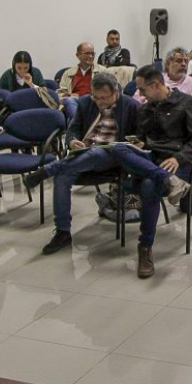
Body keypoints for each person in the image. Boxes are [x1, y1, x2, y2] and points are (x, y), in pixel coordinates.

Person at [26, 71, 142, 254]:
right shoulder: (86, 103)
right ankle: (63, 231)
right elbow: (73, 131)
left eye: (104, 98)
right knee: (62, 177)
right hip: (82, 155)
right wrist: (72, 142)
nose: (100, 102)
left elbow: (139, 139)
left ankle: (49, 169)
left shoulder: (131, 106)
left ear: (116, 92)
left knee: (96, 153)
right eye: (96, 97)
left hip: (114, 157)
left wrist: (131, 143)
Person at [113, 66, 192, 277]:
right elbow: (142, 139)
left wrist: (179, 158)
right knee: (118, 149)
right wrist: (138, 143)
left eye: (143, 90)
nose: (140, 95)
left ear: (156, 85)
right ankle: (166, 181)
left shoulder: (186, 104)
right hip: (152, 161)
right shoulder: (145, 110)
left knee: (148, 186)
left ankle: (145, 247)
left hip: (177, 163)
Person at [58, 42, 105, 119]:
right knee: (69, 101)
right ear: (78, 55)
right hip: (75, 102)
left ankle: (78, 125)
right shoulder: (68, 73)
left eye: (92, 54)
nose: (90, 56)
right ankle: (81, 124)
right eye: (87, 53)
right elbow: (60, 94)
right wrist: (70, 95)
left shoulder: (102, 71)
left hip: (93, 102)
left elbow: (109, 91)